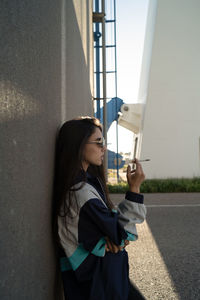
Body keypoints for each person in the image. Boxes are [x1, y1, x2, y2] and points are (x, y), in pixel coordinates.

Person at [53, 116, 146, 300]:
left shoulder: (88, 183)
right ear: (79, 146)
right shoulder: (80, 193)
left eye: (103, 142)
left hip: (107, 276)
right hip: (99, 283)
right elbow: (121, 235)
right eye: (98, 142)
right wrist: (134, 189)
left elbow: (114, 231)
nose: (103, 147)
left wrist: (111, 234)